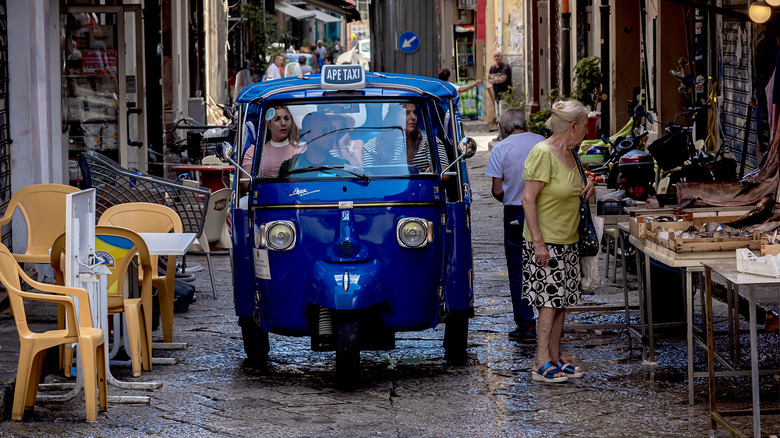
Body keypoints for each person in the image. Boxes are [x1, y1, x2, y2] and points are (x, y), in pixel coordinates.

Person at [521, 100, 595, 383]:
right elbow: (527, 199)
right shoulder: (543, 153)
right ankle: (540, 361)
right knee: (548, 302)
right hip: (546, 242)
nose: (587, 131)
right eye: (585, 125)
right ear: (573, 126)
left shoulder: (572, 154)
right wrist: (539, 244)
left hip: (569, 240)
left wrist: (587, 189)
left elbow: (568, 191)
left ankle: (555, 357)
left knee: (562, 301)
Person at [485, 108, 545, 343]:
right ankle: (550, 323)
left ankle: (527, 326)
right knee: (544, 266)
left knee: (518, 271)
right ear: (525, 123)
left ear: (503, 127)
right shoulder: (541, 142)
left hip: (514, 214)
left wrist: (514, 198)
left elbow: (497, 190)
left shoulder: (500, 148)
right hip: (543, 212)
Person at [363, 103, 449, 172]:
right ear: (393, 116)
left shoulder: (430, 142)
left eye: (415, 112)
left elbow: (444, 174)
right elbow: (368, 177)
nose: (413, 117)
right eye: (407, 113)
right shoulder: (372, 146)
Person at [241, 106, 304, 183]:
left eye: (286, 118)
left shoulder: (302, 148)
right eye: (277, 119)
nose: (283, 123)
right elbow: (245, 183)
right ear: (268, 124)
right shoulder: (254, 152)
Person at [279, 113, 349, 175]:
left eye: (331, 130)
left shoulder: (342, 167)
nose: (330, 135)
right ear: (307, 135)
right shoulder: (290, 166)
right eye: (323, 131)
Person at [488, 50, 512, 140]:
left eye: (498, 56)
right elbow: (489, 79)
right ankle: (500, 135)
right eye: (495, 56)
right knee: (498, 116)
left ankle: (505, 136)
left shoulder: (505, 67)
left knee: (503, 116)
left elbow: (503, 79)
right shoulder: (492, 68)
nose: (496, 58)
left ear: (501, 56)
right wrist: (496, 78)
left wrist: (495, 78)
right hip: (496, 95)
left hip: (504, 95)